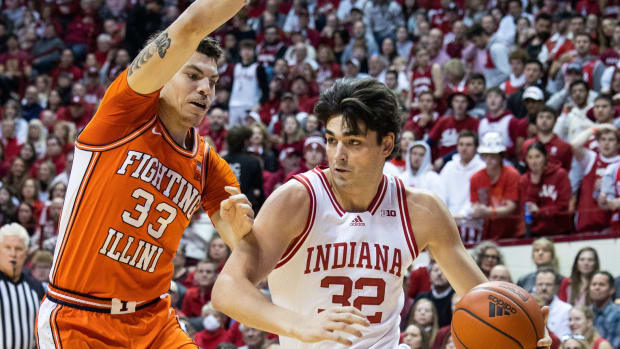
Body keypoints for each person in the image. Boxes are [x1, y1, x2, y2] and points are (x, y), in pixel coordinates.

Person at [212, 79, 552, 347]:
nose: (338, 155)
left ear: (386, 145)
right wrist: (298, 324)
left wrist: (524, 326)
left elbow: (482, 297)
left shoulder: (421, 210)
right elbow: (227, 290)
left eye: (354, 142)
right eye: (332, 140)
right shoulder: (298, 199)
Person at [35, 0, 256, 346]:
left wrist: (241, 231)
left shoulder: (208, 163)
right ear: (163, 73)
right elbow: (191, 26)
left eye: (212, 82)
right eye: (193, 75)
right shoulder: (123, 114)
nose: (205, 90)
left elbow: (243, 246)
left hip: (153, 321)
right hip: (80, 316)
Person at [470, 132, 522, 240]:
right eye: (486, 155)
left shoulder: (512, 174)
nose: (489, 159)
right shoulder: (475, 178)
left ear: (501, 155)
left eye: (493, 155)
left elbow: (511, 207)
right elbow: (475, 205)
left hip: (512, 230)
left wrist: (489, 211)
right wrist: (477, 210)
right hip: (488, 232)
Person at [0, 223, 45, 349]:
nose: (13, 254)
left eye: (18, 249)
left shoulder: (36, 288)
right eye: (7, 247)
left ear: (26, 253)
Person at [571, 124, 620, 232]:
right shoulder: (591, 159)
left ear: (618, 144)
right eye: (602, 139)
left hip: (613, 226)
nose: (606, 143)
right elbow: (575, 145)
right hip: (587, 225)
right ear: (597, 143)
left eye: (611, 140)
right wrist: (595, 129)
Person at [519, 142, 572, 236]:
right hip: (534, 233)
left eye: (537, 156)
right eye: (530, 157)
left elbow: (563, 206)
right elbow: (527, 209)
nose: (533, 161)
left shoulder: (560, 174)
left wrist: (541, 212)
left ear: (545, 157)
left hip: (560, 231)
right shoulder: (524, 180)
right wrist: (534, 183)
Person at [535, 268, 572, 338]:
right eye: (540, 284)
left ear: (557, 287)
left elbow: (564, 341)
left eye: (548, 284)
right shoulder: (526, 307)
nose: (544, 288)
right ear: (535, 286)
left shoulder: (566, 310)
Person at [589, 271, 620, 348]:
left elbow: (614, 345)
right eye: (594, 284)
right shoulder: (586, 311)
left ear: (612, 290)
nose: (597, 288)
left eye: (601, 284)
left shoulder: (618, 314)